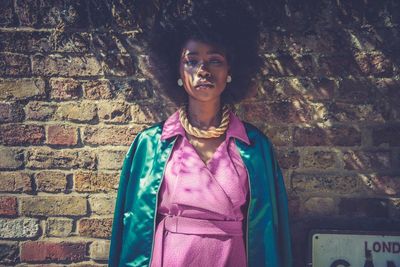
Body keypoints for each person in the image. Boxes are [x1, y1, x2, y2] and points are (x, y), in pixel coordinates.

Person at [109, 6, 292, 267]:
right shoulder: (150, 144)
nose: (203, 70)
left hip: (232, 258)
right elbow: (131, 226)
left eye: (215, 60)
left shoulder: (254, 146)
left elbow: (269, 230)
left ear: (230, 71)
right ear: (178, 72)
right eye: (191, 60)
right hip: (171, 257)